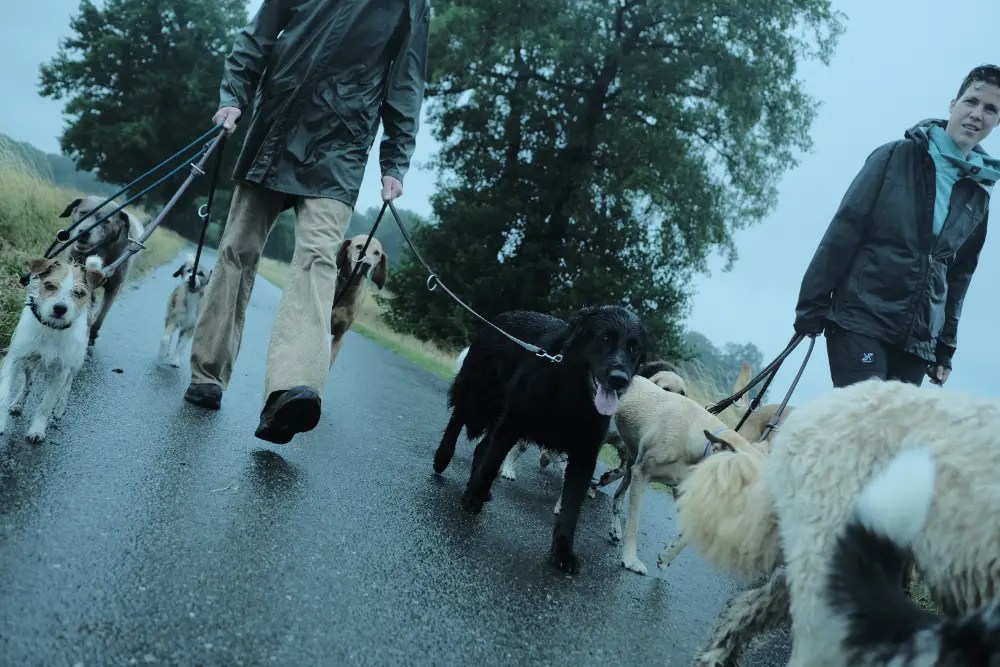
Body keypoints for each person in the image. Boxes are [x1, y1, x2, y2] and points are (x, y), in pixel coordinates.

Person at [183, 0, 431, 445]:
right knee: (237, 249)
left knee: (319, 260)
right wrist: (233, 99)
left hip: (341, 144)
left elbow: (407, 79)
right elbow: (257, 36)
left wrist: (395, 159)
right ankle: (208, 375)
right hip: (275, 126)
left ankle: (289, 393)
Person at [794, 64, 1000, 389]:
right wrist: (812, 306)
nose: (978, 114)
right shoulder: (896, 155)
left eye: (991, 109)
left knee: (889, 438)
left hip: (917, 341)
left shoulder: (979, 193)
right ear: (953, 104)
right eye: (972, 101)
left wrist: (944, 347)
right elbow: (844, 229)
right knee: (866, 422)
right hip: (860, 318)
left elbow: (958, 274)